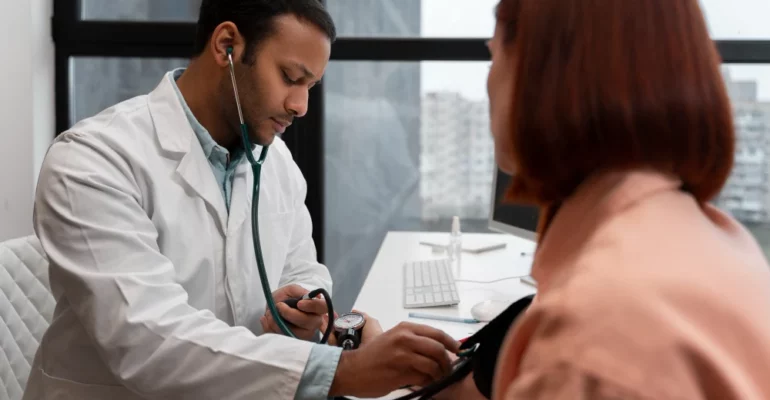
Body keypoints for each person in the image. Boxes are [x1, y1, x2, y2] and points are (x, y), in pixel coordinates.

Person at [24, 1, 459, 399]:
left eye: (311, 85)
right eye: (290, 77)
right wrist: (340, 370)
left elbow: (302, 270)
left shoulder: (276, 161)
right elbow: (148, 341)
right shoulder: (93, 161)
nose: (301, 105)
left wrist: (308, 313)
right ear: (227, 45)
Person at [434, 0, 770, 399]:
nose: (489, 82)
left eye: (494, 56)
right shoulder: (726, 243)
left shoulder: (588, 339)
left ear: (539, 74)